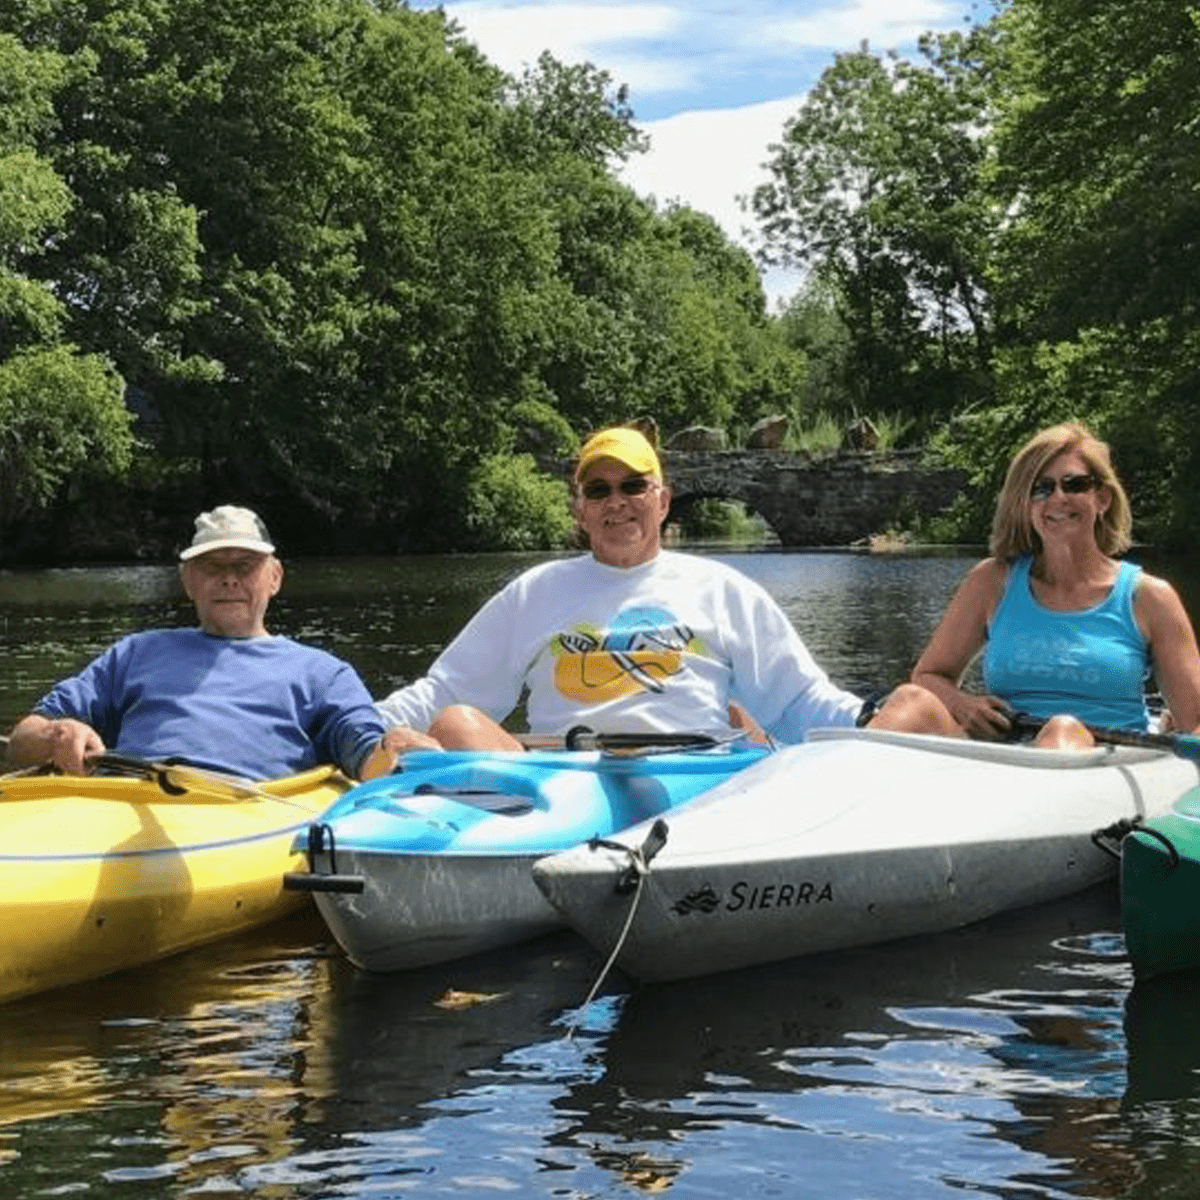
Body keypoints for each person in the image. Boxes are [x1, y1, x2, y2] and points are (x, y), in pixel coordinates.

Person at [377, 425, 940, 750]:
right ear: (579, 510)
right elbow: (445, 691)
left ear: (662, 500)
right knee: (455, 724)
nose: (616, 501)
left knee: (912, 704)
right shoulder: (535, 592)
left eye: (633, 485)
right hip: (564, 781)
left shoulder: (723, 589)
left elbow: (795, 701)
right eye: (598, 490)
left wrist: (872, 718)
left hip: (694, 775)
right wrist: (351, 723)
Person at [5, 505, 423, 779]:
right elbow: (24, 738)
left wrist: (395, 749)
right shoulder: (135, 654)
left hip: (244, 817)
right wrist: (58, 733)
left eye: (245, 565)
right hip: (123, 804)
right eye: (211, 566)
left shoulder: (323, 674)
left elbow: (366, 757)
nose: (228, 578)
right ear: (188, 582)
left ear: (274, 578)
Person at [910, 421, 1200, 748]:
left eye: (1074, 484)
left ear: (1102, 499)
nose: (1058, 497)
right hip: (1001, 755)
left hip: (1102, 762)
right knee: (909, 702)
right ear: (1026, 505)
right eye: (1041, 488)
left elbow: (1196, 723)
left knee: (1064, 729)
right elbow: (928, 676)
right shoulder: (990, 582)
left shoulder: (1149, 598)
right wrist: (963, 705)